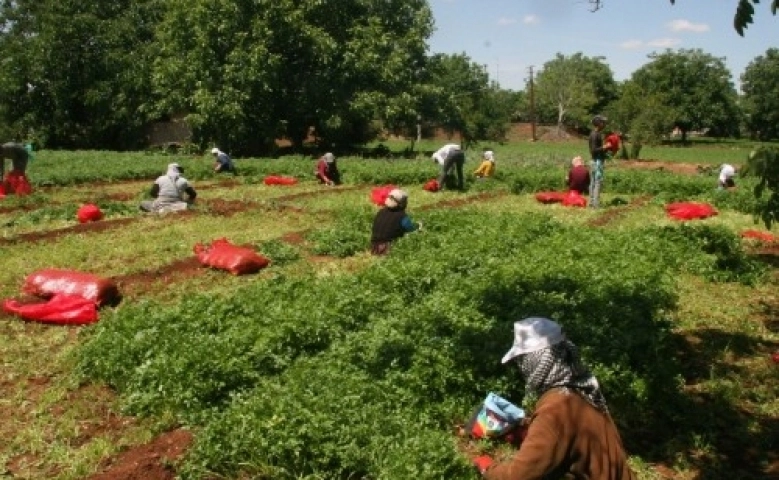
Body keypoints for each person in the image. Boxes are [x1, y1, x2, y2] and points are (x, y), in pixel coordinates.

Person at [473, 317, 636, 479]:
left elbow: (518, 475)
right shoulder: (583, 390)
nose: (521, 368)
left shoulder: (554, 409)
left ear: (533, 362)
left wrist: (488, 468)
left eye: (521, 361)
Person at [370, 188, 421, 255]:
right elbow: (411, 229)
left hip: (373, 246)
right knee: (413, 235)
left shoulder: (381, 212)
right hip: (387, 248)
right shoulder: (402, 216)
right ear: (401, 203)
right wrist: (418, 226)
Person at [588, 116, 612, 208]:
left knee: (593, 182)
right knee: (597, 182)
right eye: (603, 122)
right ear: (599, 124)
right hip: (596, 162)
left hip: (595, 161)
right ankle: (595, 204)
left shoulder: (596, 134)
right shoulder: (595, 135)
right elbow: (593, 150)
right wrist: (605, 147)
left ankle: (591, 203)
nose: (605, 124)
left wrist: (605, 149)